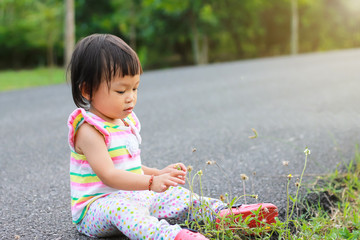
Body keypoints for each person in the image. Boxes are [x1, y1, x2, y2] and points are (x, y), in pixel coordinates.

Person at [67, 33, 278, 240]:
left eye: (135, 88)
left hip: (132, 195)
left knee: (177, 195)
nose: (130, 97)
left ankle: (221, 214)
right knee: (125, 211)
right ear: (87, 90)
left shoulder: (124, 121)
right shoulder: (89, 130)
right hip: (98, 208)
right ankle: (171, 236)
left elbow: (129, 168)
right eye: (121, 91)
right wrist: (150, 182)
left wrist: (158, 174)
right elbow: (110, 175)